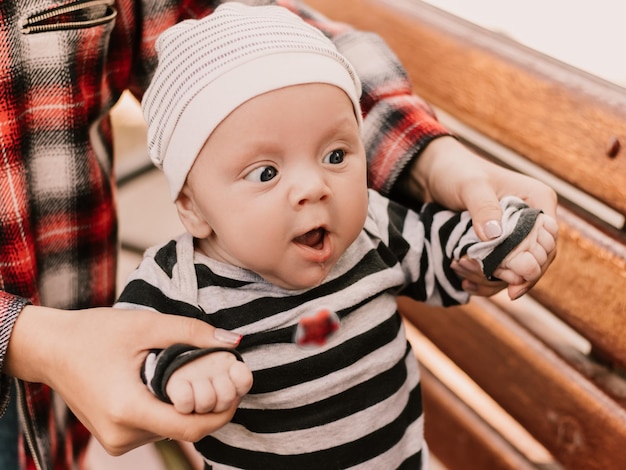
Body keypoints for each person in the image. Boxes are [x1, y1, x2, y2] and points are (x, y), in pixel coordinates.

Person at [0, 0, 557, 469]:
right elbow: (137, 347)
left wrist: (494, 244)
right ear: (193, 209)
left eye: (336, 154)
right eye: (266, 173)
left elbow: (443, 255)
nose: (314, 187)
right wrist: (181, 371)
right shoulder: (182, 281)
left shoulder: (371, 229)